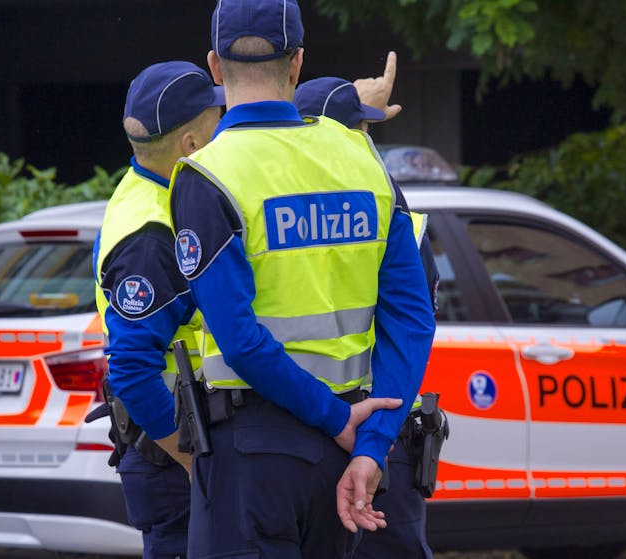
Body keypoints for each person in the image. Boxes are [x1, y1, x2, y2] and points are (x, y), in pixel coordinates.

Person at [166, 0, 437, 556]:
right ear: (297, 64)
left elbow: (240, 340)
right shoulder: (361, 159)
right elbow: (412, 319)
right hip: (345, 454)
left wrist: (336, 419)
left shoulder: (208, 175)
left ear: (214, 66)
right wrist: (371, 446)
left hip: (254, 456)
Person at [293, 74, 438, 559]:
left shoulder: (277, 216)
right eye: (364, 130)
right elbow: (410, 329)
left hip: (292, 429)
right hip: (374, 433)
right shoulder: (383, 209)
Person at [92, 60, 224, 559]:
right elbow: (130, 368)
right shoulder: (152, 234)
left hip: (179, 450)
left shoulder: (151, 191)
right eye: (216, 122)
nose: (224, 129)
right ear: (190, 143)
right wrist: (192, 461)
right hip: (176, 462)